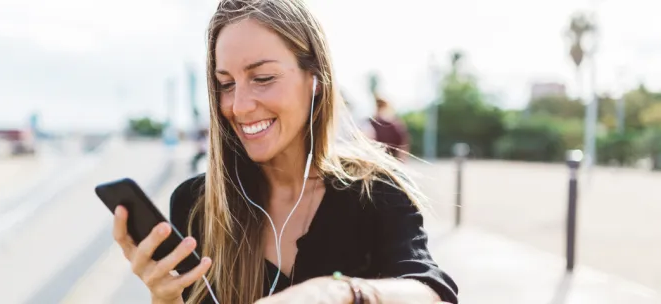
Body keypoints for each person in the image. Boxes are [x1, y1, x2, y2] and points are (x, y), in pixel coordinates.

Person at [112, 0, 458, 303]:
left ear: (315, 80)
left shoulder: (374, 192)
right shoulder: (196, 205)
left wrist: (339, 293)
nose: (240, 106)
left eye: (262, 78)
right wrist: (165, 298)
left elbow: (431, 292)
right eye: (226, 84)